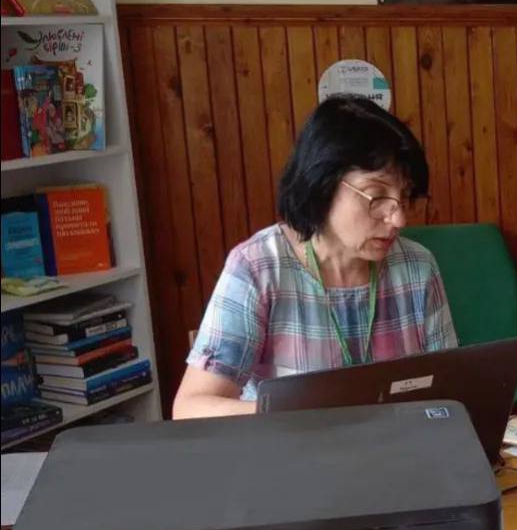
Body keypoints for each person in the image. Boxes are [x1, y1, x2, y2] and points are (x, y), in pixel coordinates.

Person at [174, 95, 457, 419]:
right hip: (297, 457)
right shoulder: (258, 268)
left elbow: (448, 390)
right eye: (378, 196)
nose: (398, 219)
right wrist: (300, 417)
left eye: (404, 198)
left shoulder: (417, 266)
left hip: (397, 456)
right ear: (322, 183)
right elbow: (191, 408)